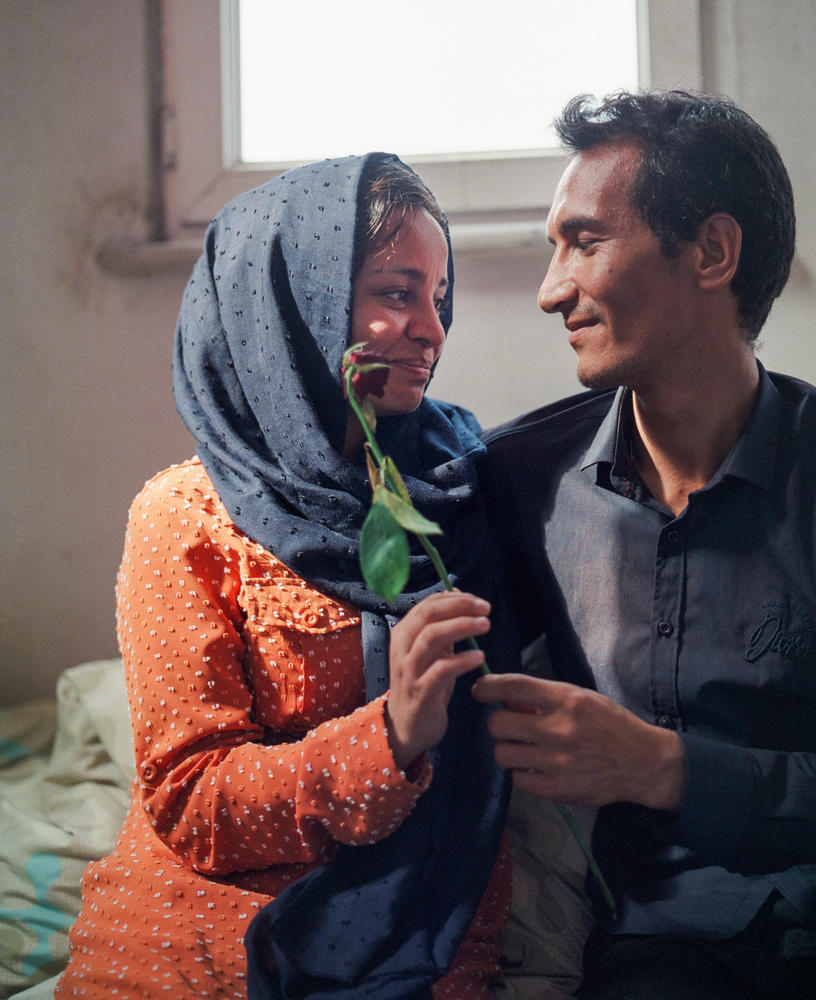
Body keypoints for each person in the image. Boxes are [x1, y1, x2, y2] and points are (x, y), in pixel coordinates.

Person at [473, 90, 816, 999]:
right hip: (676, 936)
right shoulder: (522, 480)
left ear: (712, 252)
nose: (551, 289)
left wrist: (659, 767)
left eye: (586, 241)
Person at [57, 153, 514, 1000]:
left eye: (439, 298)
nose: (433, 331)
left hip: (420, 940)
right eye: (396, 293)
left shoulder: (463, 495)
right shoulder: (183, 518)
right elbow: (191, 799)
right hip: (192, 945)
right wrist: (391, 737)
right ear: (294, 307)